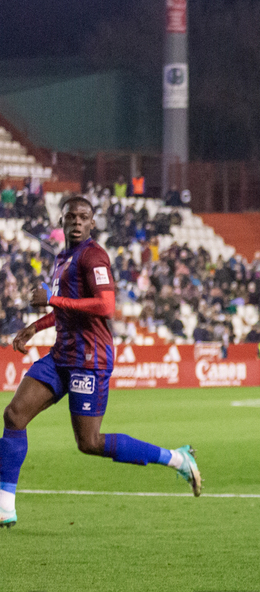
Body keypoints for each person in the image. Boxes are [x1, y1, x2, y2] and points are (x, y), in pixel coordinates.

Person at [0, 196, 201, 528]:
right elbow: (68, 308)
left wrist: (51, 299)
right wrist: (35, 327)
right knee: (14, 415)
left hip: (89, 359)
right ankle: (5, 506)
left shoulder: (94, 256)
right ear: (61, 222)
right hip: (62, 355)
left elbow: (106, 306)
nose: (77, 222)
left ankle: (178, 459)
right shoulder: (63, 257)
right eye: (71, 217)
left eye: (83, 217)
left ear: (92, 223)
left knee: (89, 443)